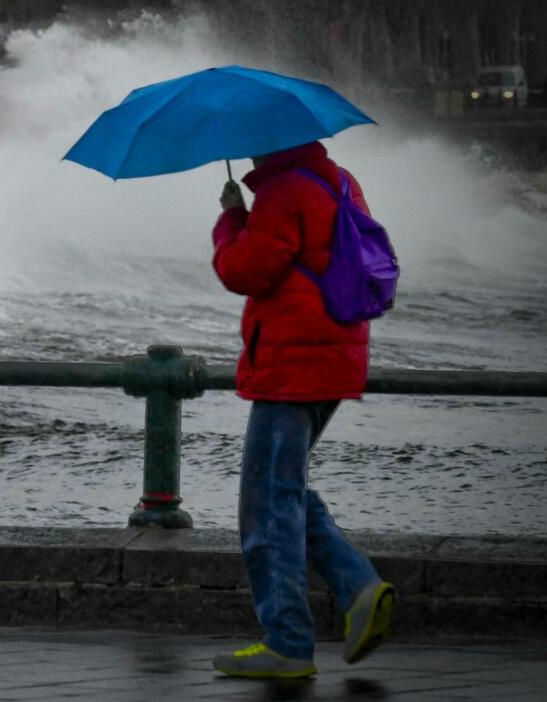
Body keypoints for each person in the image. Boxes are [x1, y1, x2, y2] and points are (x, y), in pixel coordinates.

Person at [209, 141, 397, 679]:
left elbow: (246, 270)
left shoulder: (282, 190)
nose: (245, 154)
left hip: (293, 363)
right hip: (335, 356)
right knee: (280, 489)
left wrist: (229, 222)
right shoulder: (340, 179)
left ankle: (288, 640)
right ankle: (359, 588)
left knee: (267, 500)